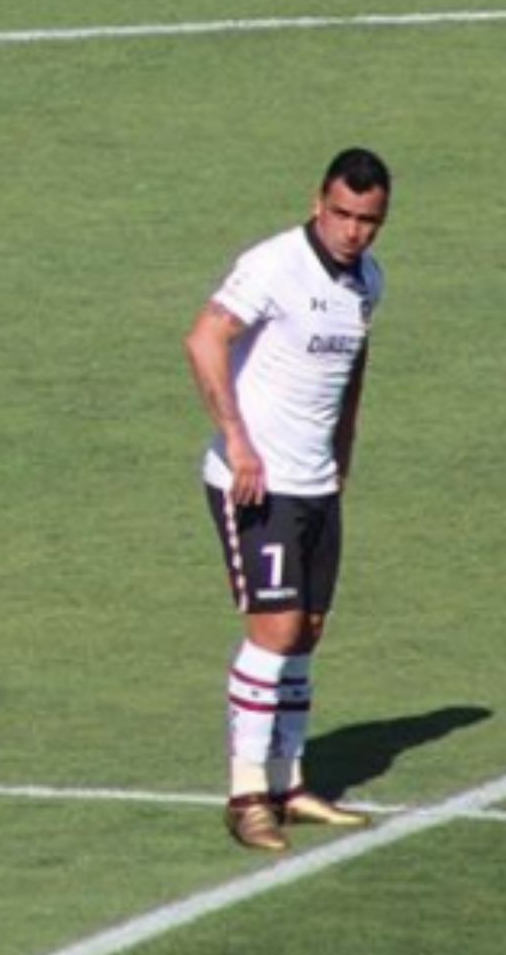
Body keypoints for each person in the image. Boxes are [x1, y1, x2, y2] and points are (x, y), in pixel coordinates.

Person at [184, 147, 391, 850]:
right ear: (316, 202)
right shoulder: (273, 264)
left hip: (316, 483)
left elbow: (351, 367)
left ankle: (289, 780)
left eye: (367, 219)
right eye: (341, 213)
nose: (352, 231)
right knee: (271, 631)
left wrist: (343, 452)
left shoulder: (367, 280)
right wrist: (235, 441)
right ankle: (245, 794)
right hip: (255, 482)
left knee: (305, 631)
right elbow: (204, 338)